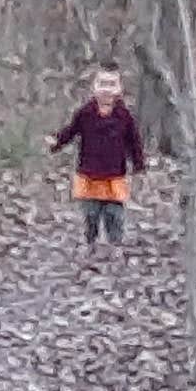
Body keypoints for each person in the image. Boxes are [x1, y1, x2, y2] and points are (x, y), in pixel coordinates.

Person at [45, 64, 148, 253]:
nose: (107, 89)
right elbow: (71, 131)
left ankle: (114, 246)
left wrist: (139, 163)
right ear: (94, 87)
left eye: (112, 84)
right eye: (102, 84)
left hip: (115, 174)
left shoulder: (124, 116)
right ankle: (90, 243)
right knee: (91, 213)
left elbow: (134, 141)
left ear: (119, 89)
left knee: (113, 213)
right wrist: (57, 143)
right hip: (89, 172)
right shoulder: (85, 113)